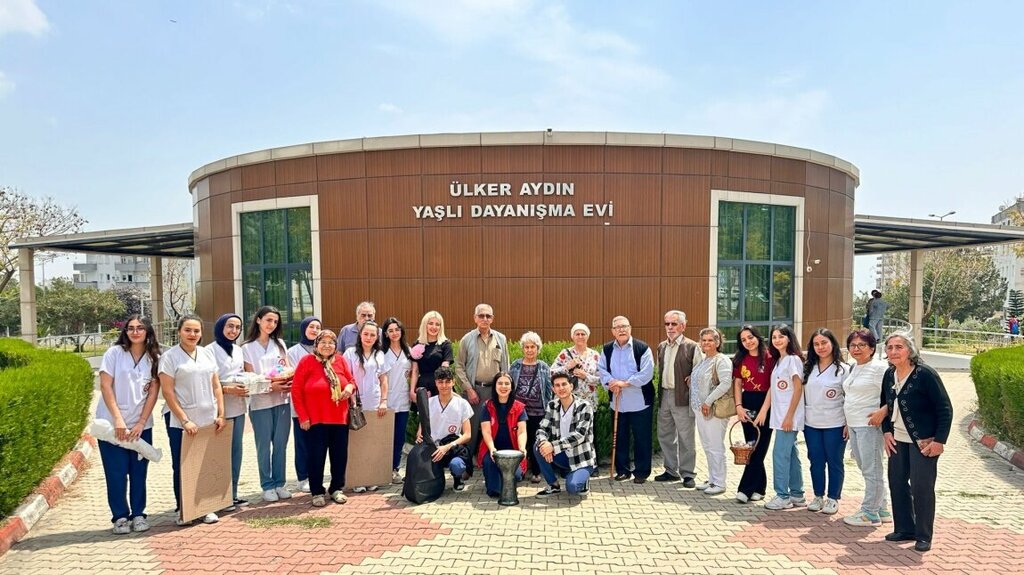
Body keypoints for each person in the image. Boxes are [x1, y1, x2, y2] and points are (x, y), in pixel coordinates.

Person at [869, 332, 953, 553]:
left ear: (910, 350)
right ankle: (905, 528)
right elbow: (884, 403)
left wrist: (940, 441)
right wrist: (886, 432)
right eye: (890, 348)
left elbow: (944, 409)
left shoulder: (925, 375)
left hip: (924, 442)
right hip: (897, 439)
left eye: (899, 347)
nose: (894, 352)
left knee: (921, 486)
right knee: (897, 483)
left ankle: (924, 535)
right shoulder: (889, 374)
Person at [96, 315, 161, 534]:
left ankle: (139, 514)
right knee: (116, 473)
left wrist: (141, 422)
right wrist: (118, 420)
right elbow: (106, 386)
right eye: (131, 328)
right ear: (125, 331)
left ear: (147, 331)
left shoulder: (154, 357)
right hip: (112, 426)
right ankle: (120, 517)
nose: (135, 332)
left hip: (140, 426)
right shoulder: (114, 354)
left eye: (140, 328)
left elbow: (153, 391)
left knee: (138, 472)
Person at [159, 315, 225, 526]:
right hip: (181, 420)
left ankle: (205, 507)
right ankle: (184, 509)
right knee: (183, 464)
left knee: (205, 462)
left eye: (196, 331)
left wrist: (221, 413)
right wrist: (184, 420)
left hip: (207, 417)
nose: (192, 334)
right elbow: (167, 392)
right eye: (188, 330)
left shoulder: (206, 354)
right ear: (179, 331)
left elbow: (216, 385)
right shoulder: (170, 357)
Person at [292, 329, 358, 507]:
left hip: (339, 418)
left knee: (339, 456)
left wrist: (349, 389)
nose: (327, 346)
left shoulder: (341, 361)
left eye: (331, 343)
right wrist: (303, 417)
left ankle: (336, 488)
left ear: (336, 346)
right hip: (315, 420)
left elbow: (352, 381)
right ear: (316, 344)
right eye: (323, 342)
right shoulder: (307, 361)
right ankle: (317, 492)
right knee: (316, 457)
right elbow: (296, 391)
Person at [241, 305, 293, 502]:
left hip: (282, 401)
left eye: (275, 321)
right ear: (258, 320)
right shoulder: (247, 348)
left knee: (281, 444)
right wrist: (272, 385)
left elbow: (286, 368)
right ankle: (267, 485)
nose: (272, 324)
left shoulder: (279, 344)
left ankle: (280, 483)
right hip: (260, 403)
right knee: (264, 445)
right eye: (268, 320)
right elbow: (250, 377)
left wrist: (287, 379)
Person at [842, 327, 893, 526]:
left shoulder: (879, 368)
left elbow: (894, 393)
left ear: (872, 348)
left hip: (869, 425)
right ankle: (882, 508)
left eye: (862, 345)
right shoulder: (854, 367)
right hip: (854, 424)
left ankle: (869, 513)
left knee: (872, 470)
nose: (856, 349)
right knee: (866, 467)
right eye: (853, 345)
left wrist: (883, 411)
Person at [598, 315, 655, 484]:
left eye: (624, 326)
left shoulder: (642, 348)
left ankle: (641, 472)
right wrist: (611, 382)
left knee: (642, 439)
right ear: (613, 331)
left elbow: (647, 373)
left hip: (639, 403)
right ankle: (622, 470)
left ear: (630, 328)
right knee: (620, 437)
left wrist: (625, 383)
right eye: (617, 327)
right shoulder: (607, 349)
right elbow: (601, 369)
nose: (621, 329)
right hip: (617, 403)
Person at [454, 303, 510, 462]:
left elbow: (505, 367)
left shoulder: (501, 339)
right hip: (474, 391)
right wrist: (469, 389)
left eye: (488, 316)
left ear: (492, 319)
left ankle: (495, 461)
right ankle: (465, 466)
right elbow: (459, 366)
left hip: (495, 392)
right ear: (475, 318)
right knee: (470, 431)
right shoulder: (467, 339)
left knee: (496, 427)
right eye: (481, 316)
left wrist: (505, 389)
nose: (485, 319)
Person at [802, 328, 849, 515]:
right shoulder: (808, 368)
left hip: (835, 423)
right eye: (816, 344)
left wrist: (848, 423)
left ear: (833, 344)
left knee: (834, 460)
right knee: (816, 460)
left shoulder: (844, 370)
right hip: (811, 423)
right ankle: (818, 496)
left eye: (824, 343)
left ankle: (833, 498)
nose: (820, 347)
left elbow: (849, 398)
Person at [653, 310, 700, 487]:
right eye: (667, 324)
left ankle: (688, 474)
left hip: (682, 397)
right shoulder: (661, 346)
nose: (670, 327)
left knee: (686, 437)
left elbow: (700, 372)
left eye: (674, 324)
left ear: (683, 325)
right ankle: (670, 471)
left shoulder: (692, 346)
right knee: (665, 435)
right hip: (665, 394)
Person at [764, 324, 807, 510]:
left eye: (781, 336)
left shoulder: (793, 360)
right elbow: (774, 390)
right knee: (791, 453)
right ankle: (797, 494)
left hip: (788, 417)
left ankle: (782, 496)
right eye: (774, 337)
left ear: (789, 338)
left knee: (779, 455)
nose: (777, 340)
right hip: (780, 416)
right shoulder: (779, 361)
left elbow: (798, 388)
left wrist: (789, 416)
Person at [343, 320, 389, 492]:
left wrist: (384, 400)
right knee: (356, 443)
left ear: (377, 337)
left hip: (374, 403)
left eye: (372, 335)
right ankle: (357, 480)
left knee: (372, 442)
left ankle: (370, 478)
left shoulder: (379, 354)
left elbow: (383, 379)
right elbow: (346, 377)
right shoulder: (350, 353)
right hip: (354, 404)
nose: (369, 337)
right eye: (365, 334)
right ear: (360, 335)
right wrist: (351, 400)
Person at [534, 372, 597, 496]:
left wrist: (552, 446)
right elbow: (542, 428)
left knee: (572, 488)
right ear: (553, 389)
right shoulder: (552, 405)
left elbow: (580, 435)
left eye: (564, 384)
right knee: (538, 446)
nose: (561, 388)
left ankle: (583, 478)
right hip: (562, 454)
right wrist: (544, 442)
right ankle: (553, 485)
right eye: (557, 385)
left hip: (581, 458)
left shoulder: (584, 406)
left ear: (571, 387)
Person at [732, 325, 776, 504]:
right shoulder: (740, 358)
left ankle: (745, 488)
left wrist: (764, 410)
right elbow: (737, 383)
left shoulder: (770, 357)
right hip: (747, 402)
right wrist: (738, 406)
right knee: (751, 446)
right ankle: (760, 488)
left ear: (757, 337)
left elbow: (774, 385)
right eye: (743, 339)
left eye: (750, 337)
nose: (748, 342)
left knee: (759, 447)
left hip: (766, 402)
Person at [211, 313, 250, 510]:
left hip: (238, 407)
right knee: (219, 453)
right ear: (220, 327)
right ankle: (218, 496)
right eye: (230, 326)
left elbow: (240, 374)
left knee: (236, 452)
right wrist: (227, 389)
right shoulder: (209, 351)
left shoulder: (238, 349)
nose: (233, 331)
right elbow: (209, 381)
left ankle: (233, 494)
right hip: (219, 409)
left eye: (237, 327)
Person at [689, 328, 733, 495]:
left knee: (715, 446)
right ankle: (712, 478)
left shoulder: (721, 360)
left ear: (718, 342)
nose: (706, 343)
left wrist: (708, 401)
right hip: (700, 409)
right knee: (707, 445)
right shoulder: (704, 360)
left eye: (710, 340)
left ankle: (720, 482)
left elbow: (725, 383)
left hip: (713, 409)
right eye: (703, 340)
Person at [416, 367, 474, 492]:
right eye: (440, 382)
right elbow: (422, 426)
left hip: (453, 446)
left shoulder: (462, 404)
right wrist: (419, 435)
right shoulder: (429, 403)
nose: (444, 385)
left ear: (453, 382)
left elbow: (467, 435)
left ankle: (458, 478)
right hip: (433, 447)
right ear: (436, 383)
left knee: (457, 465)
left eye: (448, 382)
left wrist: (447, 446)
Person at [508, 331, 552, 484]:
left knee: (535, 441)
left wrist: (548, 409)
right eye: (526, 347)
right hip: (519, 412)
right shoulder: (515, 365)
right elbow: (510, 387)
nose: (529, 350)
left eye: (532, 347)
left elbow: (548, 390)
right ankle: (518, 469)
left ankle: (536, 472)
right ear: (523, 348)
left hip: (538, 411)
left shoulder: (543, 367)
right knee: (518, 440)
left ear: (537, 348)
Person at [478, 372, 528, 498]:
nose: (503, 386)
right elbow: (486, 431)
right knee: (491, 468)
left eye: (507, 383)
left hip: (513, 449)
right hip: (492, 448)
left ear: (511, 387)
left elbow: (522, 431)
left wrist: (522, 448)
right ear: (495, 386)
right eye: (500, 383)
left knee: (516, 475)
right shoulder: (487, 406)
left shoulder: (519, 407)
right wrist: (491, 449)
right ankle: (495, 485)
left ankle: (502, 477)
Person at [286, 316, 322, 493]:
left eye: (317, 327)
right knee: (302, 443)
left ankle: (316, 475)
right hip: (301, 405)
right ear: (303, 329)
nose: (314, 330)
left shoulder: (323, 350)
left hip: (320, 406)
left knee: (317, 443)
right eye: (311, 327)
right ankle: (302, 477)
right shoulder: (293, 351)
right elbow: (294, 377)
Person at [381, 317, 413, 484]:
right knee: (385, 437)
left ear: (402, 331)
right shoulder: (381, 352)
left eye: (397, 329)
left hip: (403, 400)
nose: (394, 333)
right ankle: (381, 470)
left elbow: (414, 372)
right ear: (386, 333)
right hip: (386, 401)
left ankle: (394, 469)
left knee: (399, 437)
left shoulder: (409, 350)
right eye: (390, 330)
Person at [551, 323, 601, 405]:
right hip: (566, 402)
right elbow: (551, 373)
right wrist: (567, 367)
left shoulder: (595, 355)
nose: (580, 337)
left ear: (587, 336)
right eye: (577, 334)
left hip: (589, 402)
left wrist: (586, 376)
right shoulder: (565, 354)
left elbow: (602, 380)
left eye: (583, 334)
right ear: (572, 336)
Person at [409, 311, 454, 400]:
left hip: (440, 386)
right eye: (431, 323)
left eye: (437, 324)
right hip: (422, 387)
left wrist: (443, 386)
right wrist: (412, 390)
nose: (434, 327)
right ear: (425, 325)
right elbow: (415, 370)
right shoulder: (417, 344)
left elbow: (445, 368)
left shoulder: (446, 344)